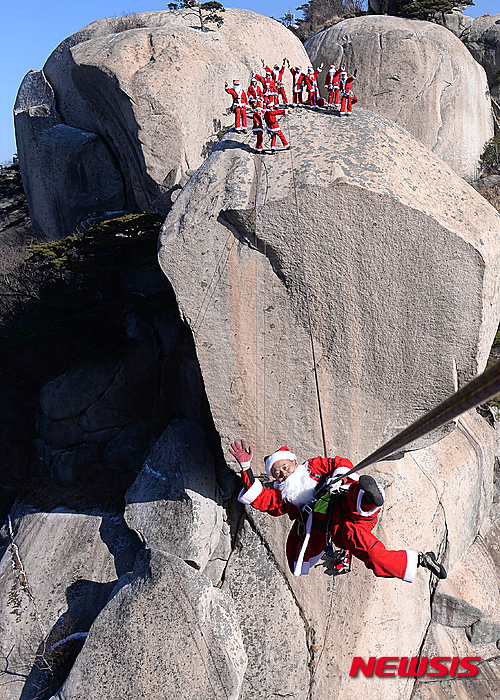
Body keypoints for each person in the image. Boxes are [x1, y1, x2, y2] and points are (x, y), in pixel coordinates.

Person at [229, 439, 447, 581]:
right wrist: (246, 468)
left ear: (294, 462)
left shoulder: (313, 467)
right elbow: (263, 499)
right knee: (374, 558)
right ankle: (421, 560)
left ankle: (369, 496)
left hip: (345, 504)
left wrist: (338, 479)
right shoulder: (285, 497)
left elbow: (338, 463)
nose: (283, 474)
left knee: (351, 495)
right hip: (339, 528)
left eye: (284, 467)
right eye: (277, 474)